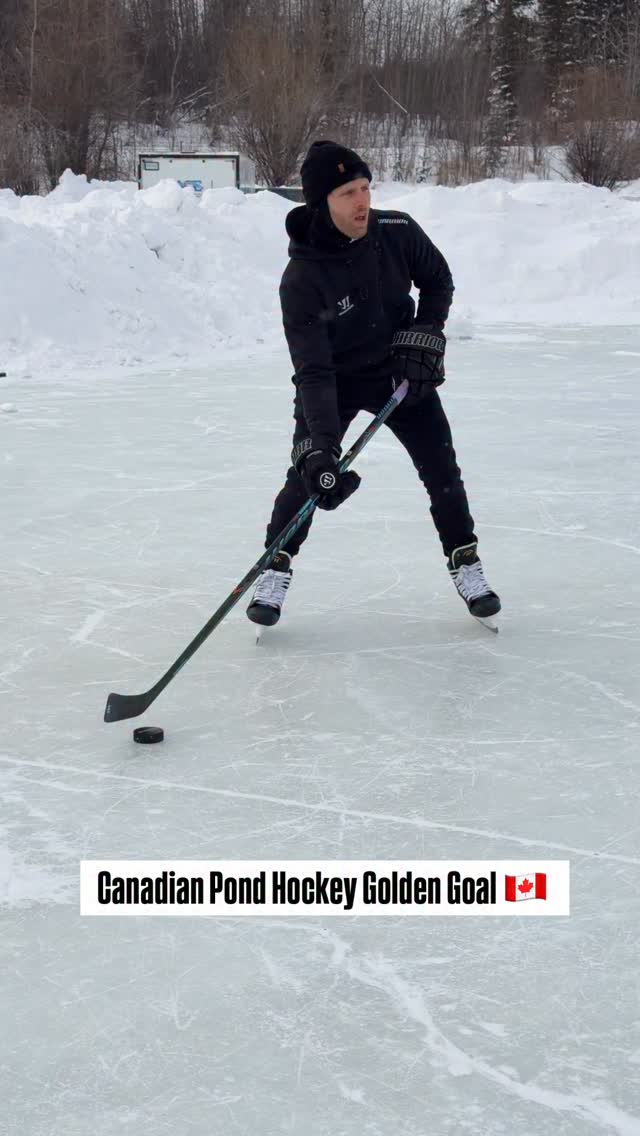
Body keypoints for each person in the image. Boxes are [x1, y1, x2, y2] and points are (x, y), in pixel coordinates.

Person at [247, 140, 500, 628]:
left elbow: (438, 280)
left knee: (442, 471)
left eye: (365, 187)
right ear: (321, 201)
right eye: (347, 192)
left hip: (399, 375)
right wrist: (320, 448)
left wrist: (426, 332)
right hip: (335, 382)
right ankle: (274, 566)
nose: (362, 201)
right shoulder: (301, 279)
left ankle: (465, 560)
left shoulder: (397, 231)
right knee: (305, 475)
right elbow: (314, 371)